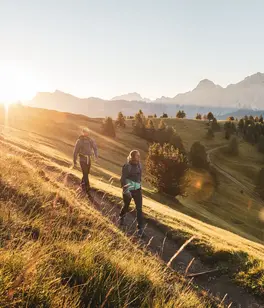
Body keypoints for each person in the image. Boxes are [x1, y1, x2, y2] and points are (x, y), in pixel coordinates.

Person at [120, 150, 144, 236]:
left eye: (139, 155)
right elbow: (123, 180)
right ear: (132, 156)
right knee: (126, 205)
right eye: (137, 156)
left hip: (137, 190)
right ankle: (122, 216)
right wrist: (126, 191)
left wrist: (139, 187)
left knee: (139, 209)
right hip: (128, 189)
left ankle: (140, 228)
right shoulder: (127, 166)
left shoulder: (139, 165)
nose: (138, 157)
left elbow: (139, 178)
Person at [73, 128, 98, 193]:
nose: (86, 133)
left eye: (87, 132)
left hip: (88, 159)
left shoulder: (90, 140)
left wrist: (96, 156)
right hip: (82, 159)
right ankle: (87, 187)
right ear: (82, 132)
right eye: (84, 132)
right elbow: (75, 151)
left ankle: (81, 185)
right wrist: (74, 160)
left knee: (86, 173)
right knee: (85, 173)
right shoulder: (79, 141)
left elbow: (95, 148)